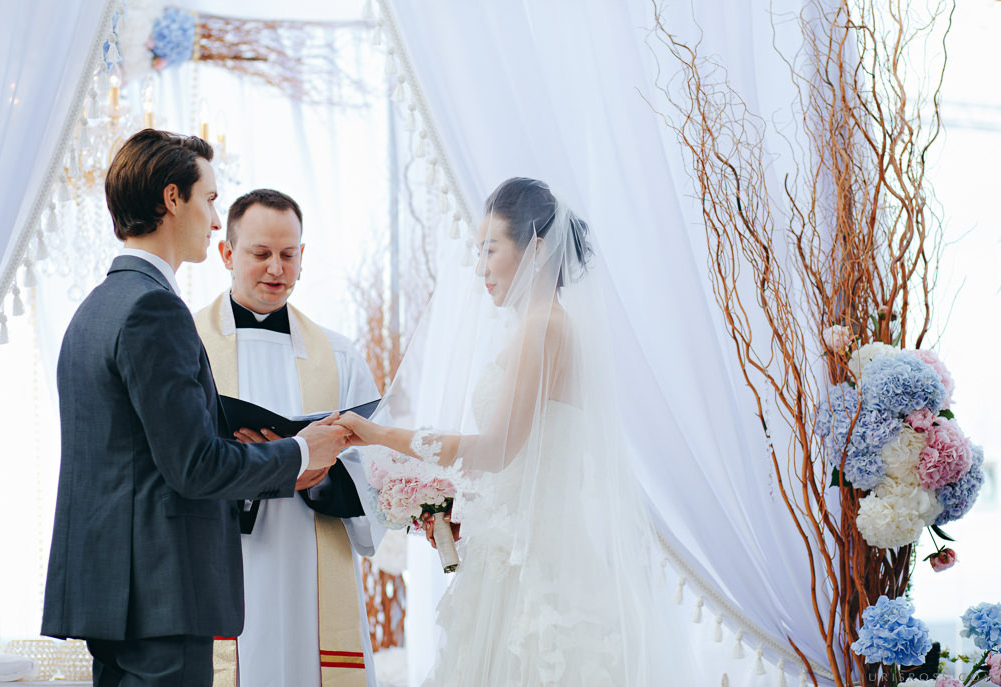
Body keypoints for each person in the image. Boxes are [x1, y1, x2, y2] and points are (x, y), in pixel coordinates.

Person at [42, 130, 347, 687]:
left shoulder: (97, 307)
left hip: (111, 591)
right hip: (162, 590)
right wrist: (303, 450)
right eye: (208, 200)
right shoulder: (153, 309)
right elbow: (194, 466)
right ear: (172, 199)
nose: (213, 219)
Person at [337, 178, 671, 685]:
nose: (480, 268)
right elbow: (521, 458)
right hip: (517, 542)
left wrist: (380, 435)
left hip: (535, 560)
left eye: (490, 249)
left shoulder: (544, 329)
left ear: (535, 247)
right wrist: (456, 502)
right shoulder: (537, 327)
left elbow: (493, 450)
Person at [193, 189, 383, 687]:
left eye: (288, 254)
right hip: (224, 556)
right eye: (260, 254)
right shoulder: (188, 347)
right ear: (228, 255)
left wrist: (324, 473)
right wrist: (257, 465)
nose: (276, 268)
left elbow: (375, 466)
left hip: (311, 561)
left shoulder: (338, 355)